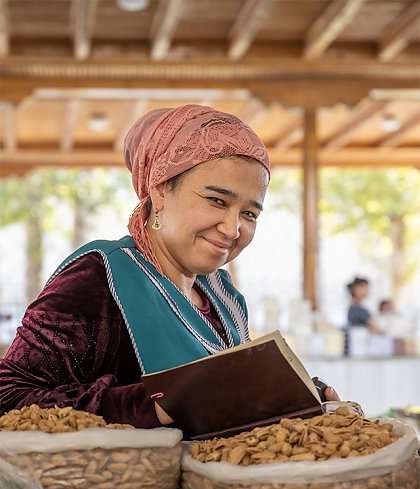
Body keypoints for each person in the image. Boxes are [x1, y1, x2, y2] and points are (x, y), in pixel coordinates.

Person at [0, 104, 339, 427]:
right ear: (160, 190)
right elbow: (8, 396)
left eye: (249, 213)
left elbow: (226, 404)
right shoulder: (101, 278)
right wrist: (158, 403)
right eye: (217, 200)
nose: (233, 228)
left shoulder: (224, 297)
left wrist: (298, 397)